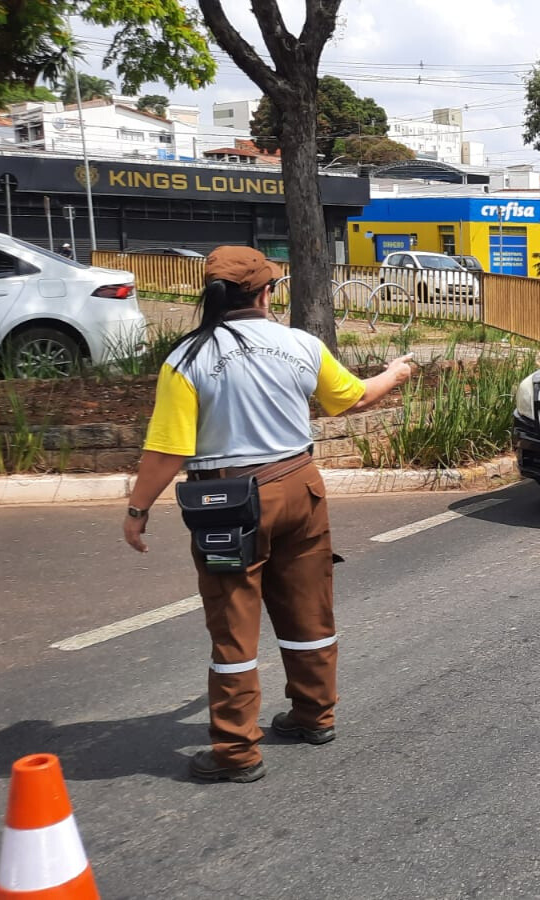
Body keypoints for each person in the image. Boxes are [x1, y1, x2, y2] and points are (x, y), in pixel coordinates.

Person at [122, 246, 415, 783]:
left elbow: (168, 449)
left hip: (225, 502)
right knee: (309, 608)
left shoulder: (186, 359)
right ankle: (313, 716)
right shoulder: (301, 345)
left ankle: (236, 751)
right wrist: (394, 373)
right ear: (267, 292)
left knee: (234, 626)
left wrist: (138, 509)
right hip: (300, 486)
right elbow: (352, 400)